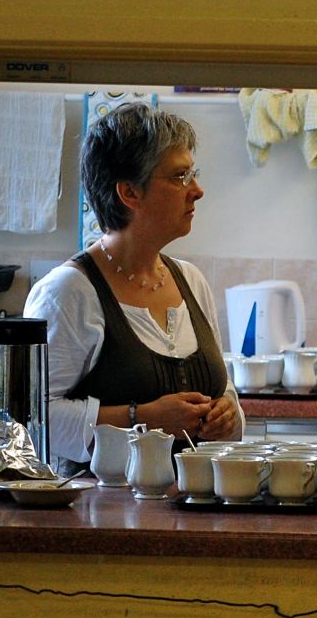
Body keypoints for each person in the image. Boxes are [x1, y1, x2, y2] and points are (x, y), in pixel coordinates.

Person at [25, 102, 243, 474]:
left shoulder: (191, 280)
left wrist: (228, 415)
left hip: (194, 502)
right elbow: (33, 421)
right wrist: (143, 419)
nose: (197, 190)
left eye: (193, 174)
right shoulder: (68, 292)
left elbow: (226, 394)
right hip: (99, 506)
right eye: (180, 177)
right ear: (129, 193)